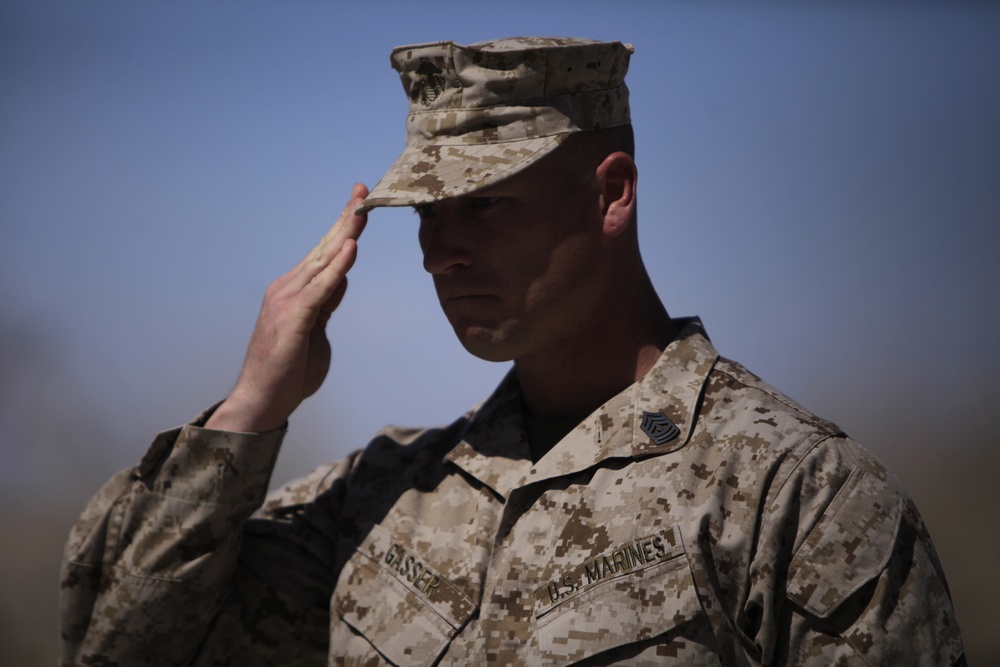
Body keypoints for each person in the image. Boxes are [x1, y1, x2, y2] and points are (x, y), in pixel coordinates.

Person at [60, 37, 965, 666]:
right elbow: (123, 642)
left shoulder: (794, 492)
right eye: (426, 214)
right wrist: (251, 411)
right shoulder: (386, 497)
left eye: (486, 203)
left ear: (611, 194)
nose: (441, 250)